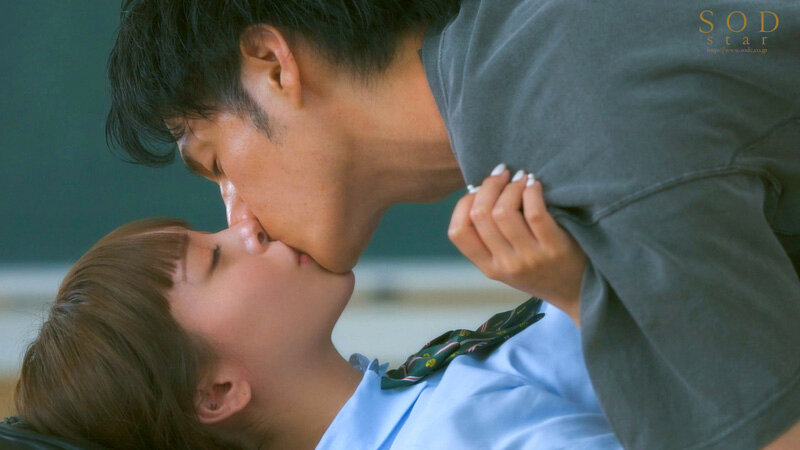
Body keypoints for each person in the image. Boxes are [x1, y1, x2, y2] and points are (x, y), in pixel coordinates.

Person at [104, 0, 800, 448]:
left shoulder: (591, 140)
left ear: (272, 64)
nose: (240, 217)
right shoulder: (531, 53)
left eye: (216, 163)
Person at [12, 177, 620, 449]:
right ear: (218, 392)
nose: (246, 226)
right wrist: (577, 294)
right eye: (214, 260)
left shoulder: (419, 399)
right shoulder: (442, 438)